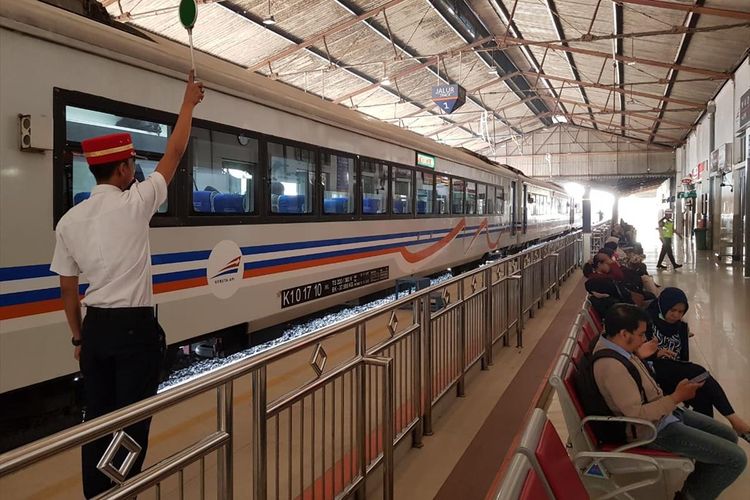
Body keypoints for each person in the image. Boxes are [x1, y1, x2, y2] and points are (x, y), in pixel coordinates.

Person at [50, 71, 204, 498]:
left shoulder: (68, 222)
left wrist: (78, 337)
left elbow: (67, 290)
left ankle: (94, 493)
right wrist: (188, 104)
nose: (135, 171)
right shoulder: (137, 204)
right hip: (133, 331)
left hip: (94, 329)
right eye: (133, 164)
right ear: (121, 168)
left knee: (96, 419)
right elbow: (174, 151)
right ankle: (123, 490)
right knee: (132, 420)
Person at [593, 304, 746, 500]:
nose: (644, 339)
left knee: (728, 436)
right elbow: (637, 415)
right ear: (624, 333)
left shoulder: (617, 347)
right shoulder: (612, 367)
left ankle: (696, 485)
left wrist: (641, 355)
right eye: (641, 334)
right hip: (653, 430)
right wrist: (676, 397)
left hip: (665, 413)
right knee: (736, 459)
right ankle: (690, 496)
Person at [646, 287, 750, 442]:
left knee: (702, 395)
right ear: (664, 306)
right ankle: (735, 421)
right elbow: (635, 353)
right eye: (673, 310)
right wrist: (656, 353)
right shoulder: (647, 323)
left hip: (675, 371)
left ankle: (708, 439)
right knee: (698, 371)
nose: (676, 315)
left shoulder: (681, 327)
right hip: (652, 372)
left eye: (681, 312)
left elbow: (683, 357)